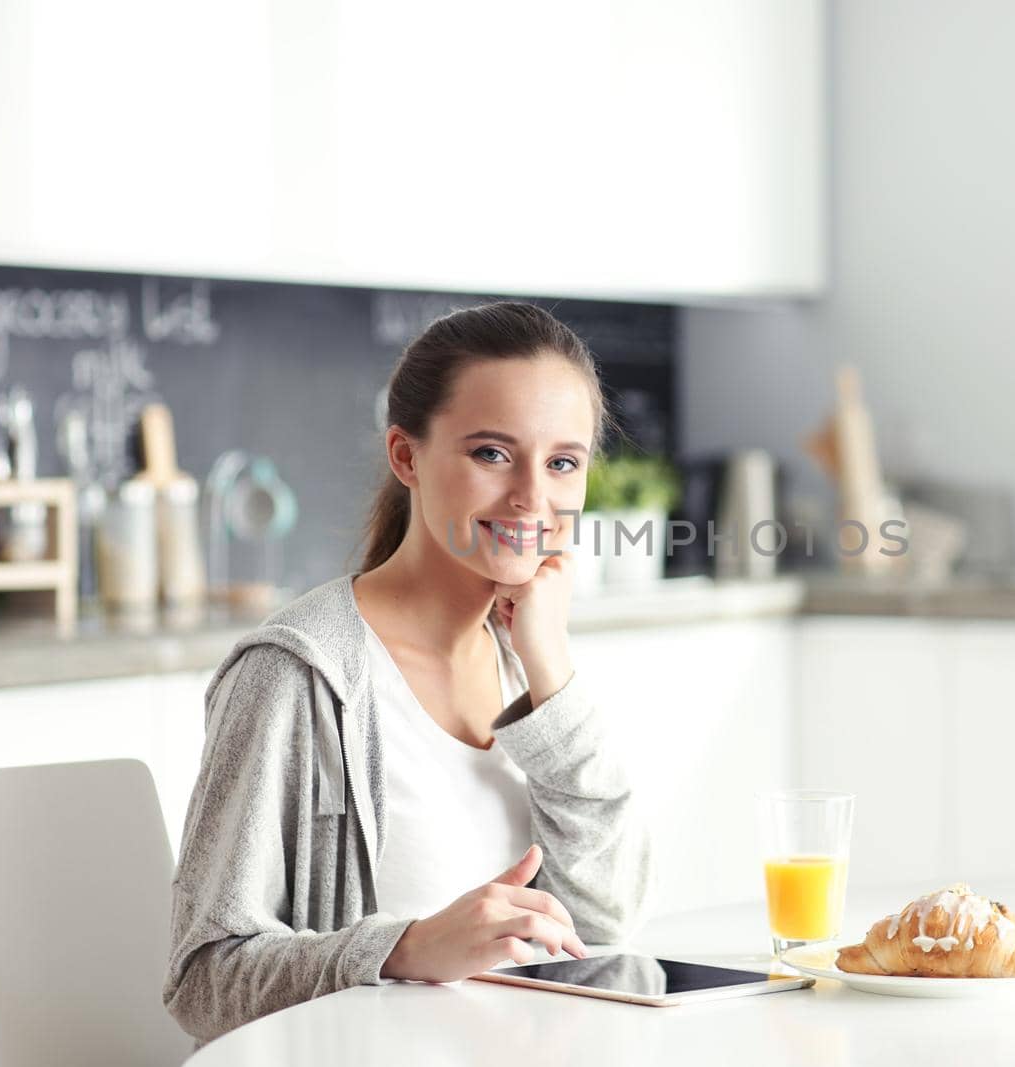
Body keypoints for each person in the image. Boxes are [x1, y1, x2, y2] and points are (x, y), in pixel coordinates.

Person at [163, 302, 656, 1043]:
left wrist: (551, 672)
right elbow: (203, 981)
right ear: (407, 456)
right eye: (491, 453)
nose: (532, 497)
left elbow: (602, 930)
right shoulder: (299, 675)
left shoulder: (530, 666)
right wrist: (407, 948)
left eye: (562, 462)